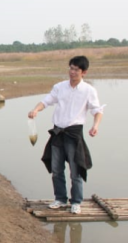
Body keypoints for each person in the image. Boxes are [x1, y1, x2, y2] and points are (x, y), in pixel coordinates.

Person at [28, 56, 104, 214]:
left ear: (84, 72)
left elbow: (97, 110)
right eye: (71, 68)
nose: (72, 72)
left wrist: (95, 126)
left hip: (74, 133)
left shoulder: (89, 90)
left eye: (76, 69)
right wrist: (36, 110)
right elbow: (46, 101)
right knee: (56, 169)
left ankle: (76, 201)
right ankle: (60, 199)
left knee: (75, 171)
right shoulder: (59, 87)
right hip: (57, 132)